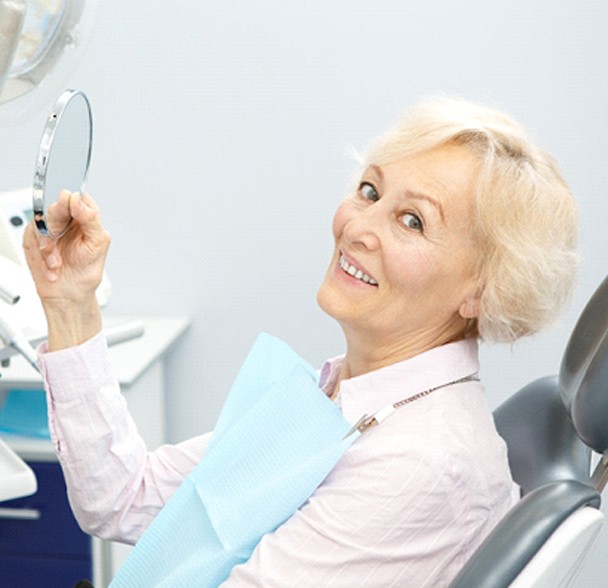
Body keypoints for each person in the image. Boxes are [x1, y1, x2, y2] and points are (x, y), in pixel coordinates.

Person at [23, 96, 578, 586]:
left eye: (412, 221)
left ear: (482, 290)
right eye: (370, 190)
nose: (357, 228)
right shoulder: (347, 395)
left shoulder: (419, 463)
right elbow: (122, 499)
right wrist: (71, 304)